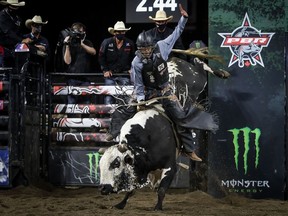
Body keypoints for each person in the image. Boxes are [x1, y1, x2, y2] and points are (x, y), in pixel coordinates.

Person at [108, 4, 219, 162]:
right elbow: (138, 84)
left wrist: (184, 19)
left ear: (153, 46)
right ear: (138, 49)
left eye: (148, 49)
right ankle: (113, 135)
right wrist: (140, 101)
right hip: (146, 91)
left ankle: (188, 149)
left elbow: (176, 33)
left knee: (181, 116)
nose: (145, 52)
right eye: (142, 49)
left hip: (164, 91)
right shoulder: (136, 62)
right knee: (124, 109)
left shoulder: (162, 46)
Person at [98, 21, 135, 105]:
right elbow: (101, 57)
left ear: (125, 32)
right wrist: (105, 70)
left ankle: (125, 116)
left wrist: (131, 69)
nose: (120, 33)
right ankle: (108, 116)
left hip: (124, 75)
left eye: (122, 31)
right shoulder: (106, 42)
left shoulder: (130, 43)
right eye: (118, 32)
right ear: (114, 32)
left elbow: (134, 58)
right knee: (109, 97)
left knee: (126, 97)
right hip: (110, 75)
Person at [63, 22, 96, 104]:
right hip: (72, 78)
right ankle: (71, 117)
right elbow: (67, 61)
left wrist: (81, 44)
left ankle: (85, 117)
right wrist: (67, 45)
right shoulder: (69, 44)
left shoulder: (87, 42)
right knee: (71, 103)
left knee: (86, 103)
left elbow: (93, 52)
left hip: (85, 78)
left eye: (80, 32)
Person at [0, 0, 29, 67]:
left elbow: (18, 33)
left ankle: (22, 72)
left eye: (16, 7)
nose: (14, 9)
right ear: (8, 6)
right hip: (2, 46)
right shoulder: (2, 16)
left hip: (13, 47)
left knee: (25, 49)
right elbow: (7, 32)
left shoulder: (18, 18)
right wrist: (21, 40)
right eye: (13, 7)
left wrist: (27, 39)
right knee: (3, 69)